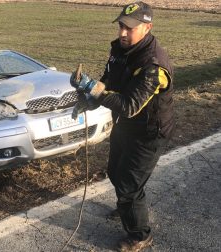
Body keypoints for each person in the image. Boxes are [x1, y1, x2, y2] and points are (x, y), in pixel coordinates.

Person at [70, 1, 174, 251]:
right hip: (126, 126)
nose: (123, 33)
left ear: (147, 28)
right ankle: (127, 208)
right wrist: (89, 101)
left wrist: (93, 88)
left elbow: (129, 104)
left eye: (130, 28)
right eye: (121, 26)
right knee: (115, 172)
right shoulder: (120, 51)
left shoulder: (154, 66)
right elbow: (109, 82)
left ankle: (140, 235)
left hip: (150, 132)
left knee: (129, 184)